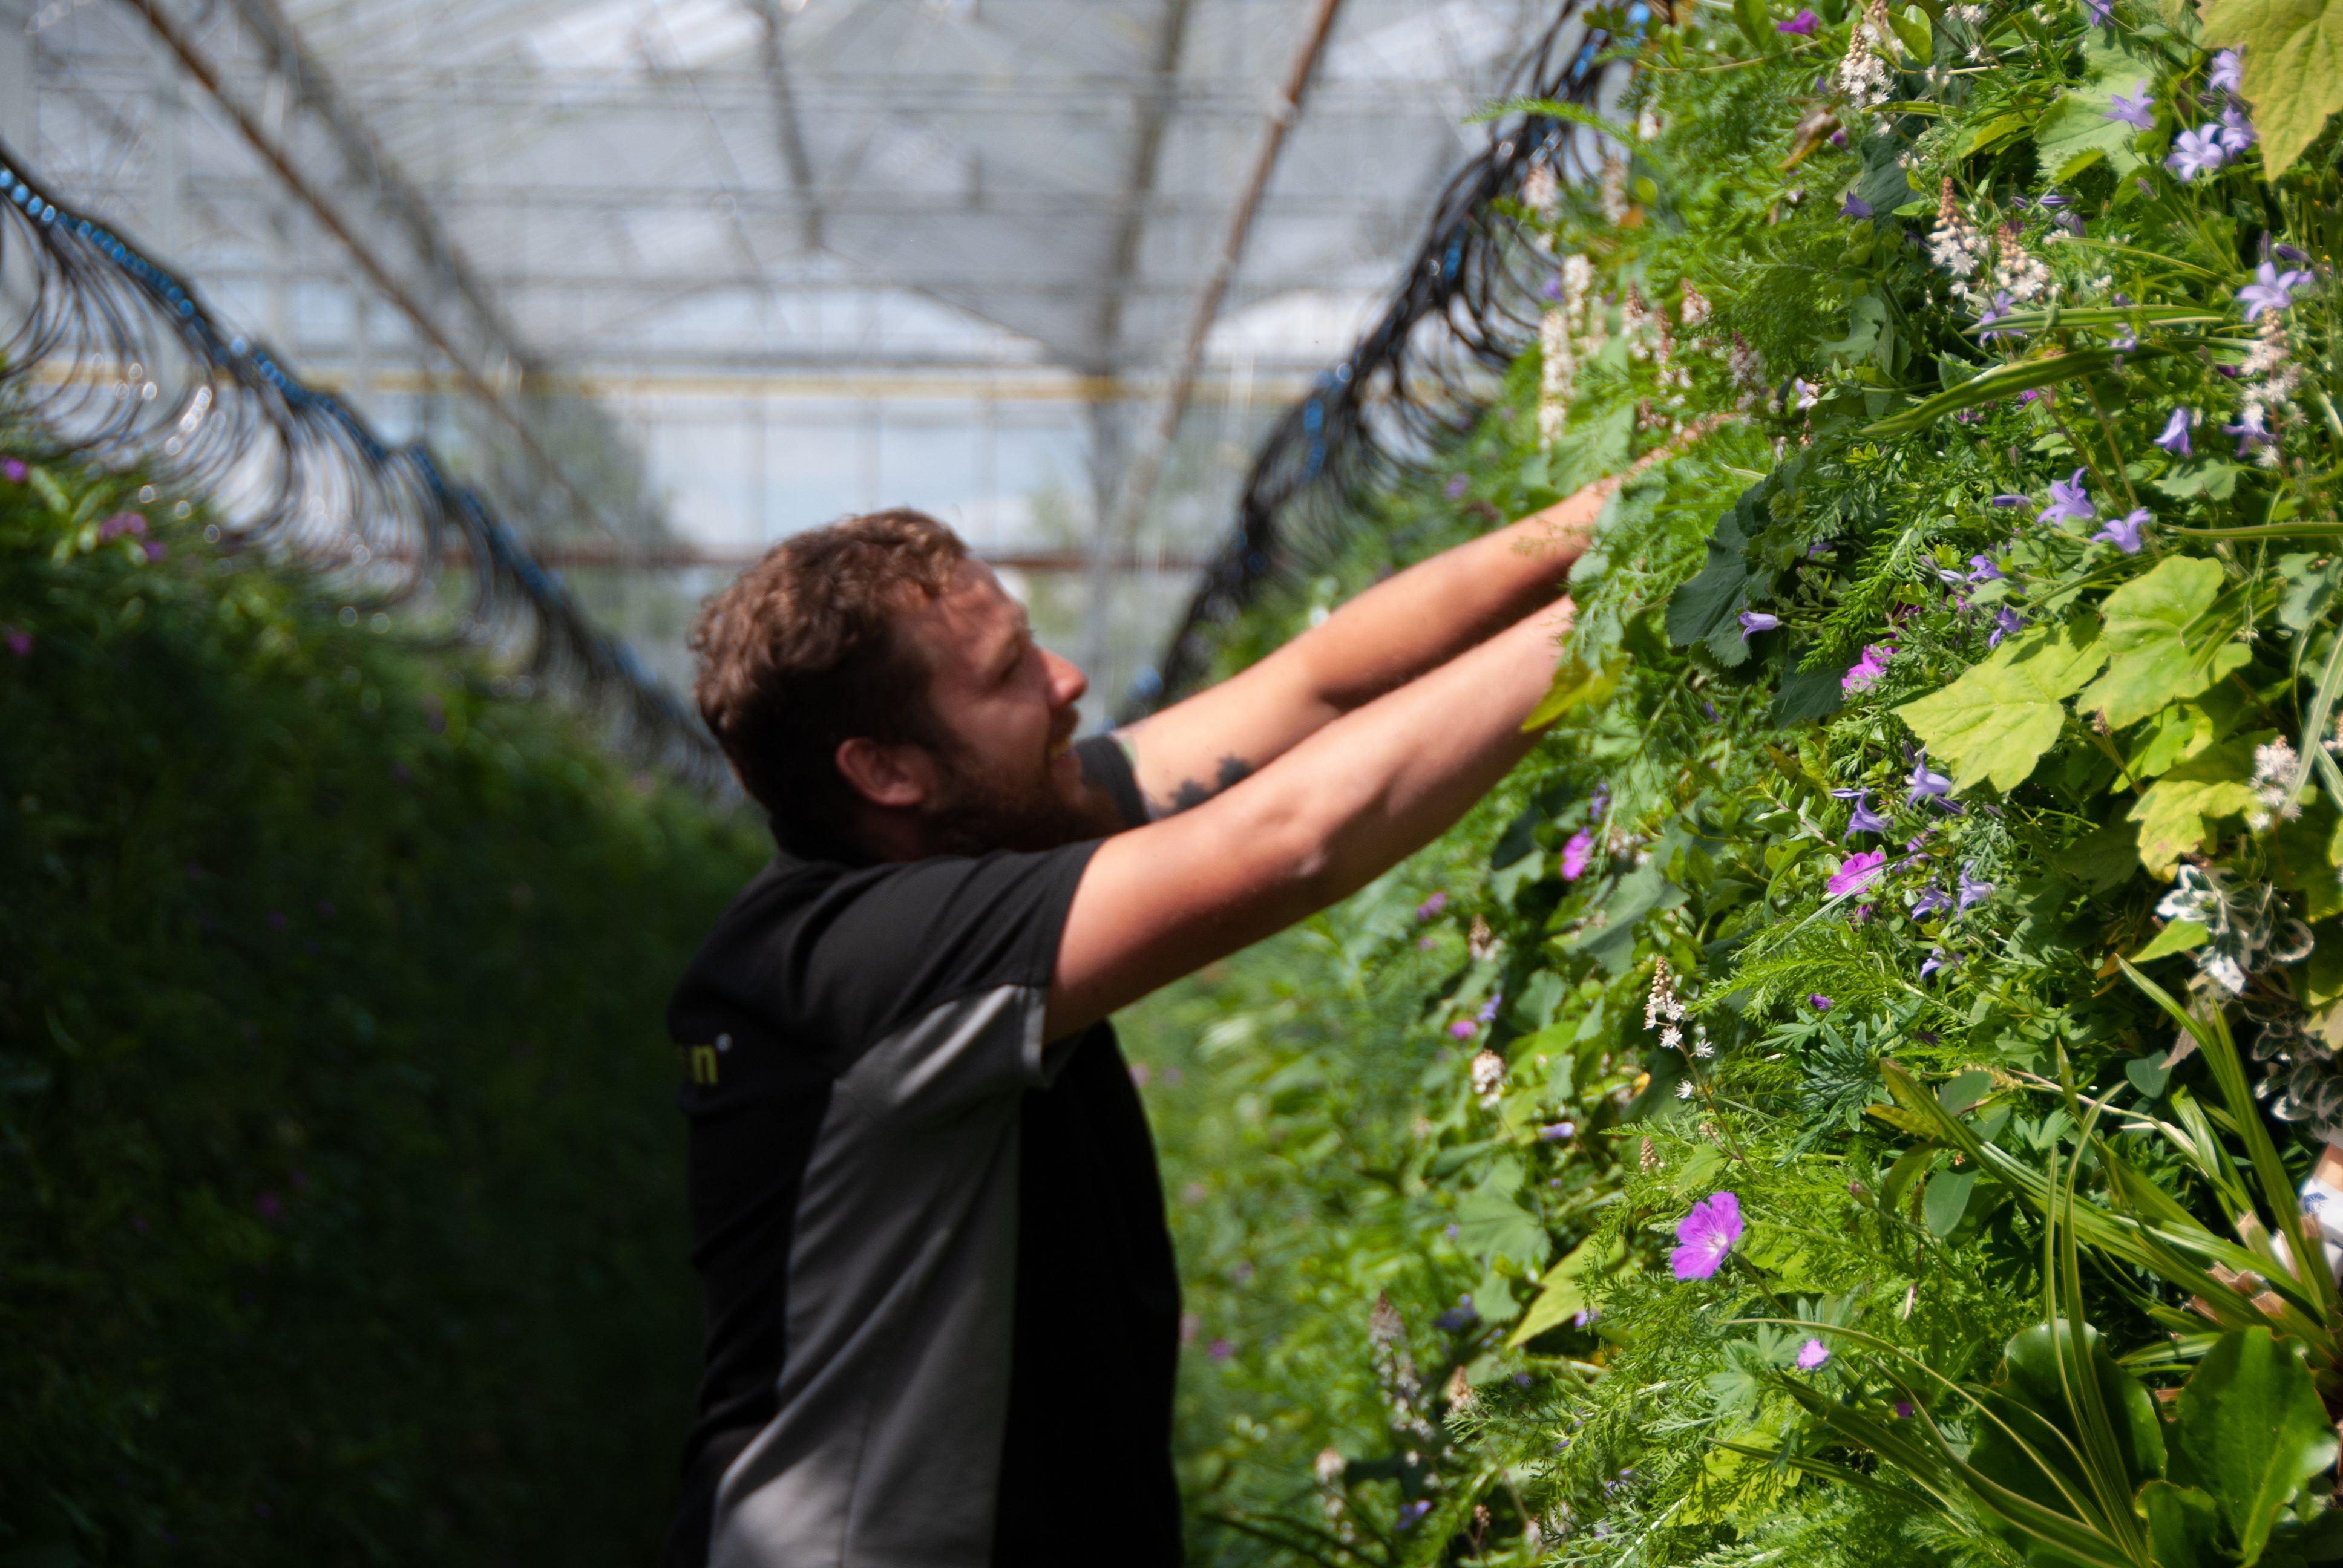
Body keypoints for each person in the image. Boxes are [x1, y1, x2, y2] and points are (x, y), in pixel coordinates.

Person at [663, 476, 1617, 1568]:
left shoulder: (985, 825)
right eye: (1007, 675)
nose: (1067, 680)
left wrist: (1622, 508)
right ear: (887, 772)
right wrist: (1630, 592)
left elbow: (1314, 685)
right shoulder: (859, 965)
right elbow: (1289, 841)